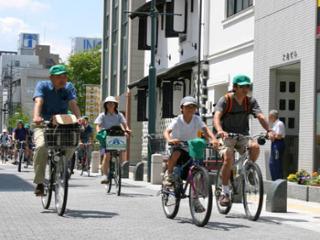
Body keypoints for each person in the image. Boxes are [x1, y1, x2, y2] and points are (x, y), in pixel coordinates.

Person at [213, 75, 274, 207]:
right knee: (228, 157)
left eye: (248, 86)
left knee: (255, 147)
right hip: (226, 135)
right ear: (235, 87)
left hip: (242, 135)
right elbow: (216, 116)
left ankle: (249, 170)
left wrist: (269, 130)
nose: (246, 89)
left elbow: (260, 116)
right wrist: (219, 130)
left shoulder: (250, 101)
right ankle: (224, 192)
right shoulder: (225, 100)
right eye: (242, 87)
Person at [32, 64, 81, 196]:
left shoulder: (69, 88)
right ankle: (40, 183)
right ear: (51, 78)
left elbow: (73, 104)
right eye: (59, 76)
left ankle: (61, 169)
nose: (62, 79)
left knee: (71, 144)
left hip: (63, 124)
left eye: (64, 76)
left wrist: (79, 118)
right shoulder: (42, 86)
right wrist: (36, 117)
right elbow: (38, 101)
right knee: (42, 146)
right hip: (43, 123)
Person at [163, 96, 219, 187]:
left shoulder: (197, 119)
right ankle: (168, 175)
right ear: (182, 108)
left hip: (192, 146)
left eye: (193, 106)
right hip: (178, 144)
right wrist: (170, 140)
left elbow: (206, 130)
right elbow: (166, 132)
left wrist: (214, 139)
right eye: (187, 106)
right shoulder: (177, 120)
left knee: (198, 162)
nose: (190, 109)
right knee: (176, 153)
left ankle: (197, 188)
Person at [94, 96, 131, 184]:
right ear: (106, 105)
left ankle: (118, 167)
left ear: (115, 105)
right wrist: (99, 131)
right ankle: (105, 175)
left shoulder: (119, 115)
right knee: (107, 155)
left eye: (112, 103)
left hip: (117, 134)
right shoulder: (102, 115)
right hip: (107, 135)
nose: (110, 105)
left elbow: (125, 124)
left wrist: (127, 130)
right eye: (108, 103)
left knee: (120, 150)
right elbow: (97, 125)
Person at [268, 110, 285, 180]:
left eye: (269, 116)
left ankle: (278, 180)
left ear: (273, 116)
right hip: (274, 143)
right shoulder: (275, 124)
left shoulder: (279, 123)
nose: (269, 118)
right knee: (272, 163)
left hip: (278, 144)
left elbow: (279, 136)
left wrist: (271, 135)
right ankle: (274, 180)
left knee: (276, 163)